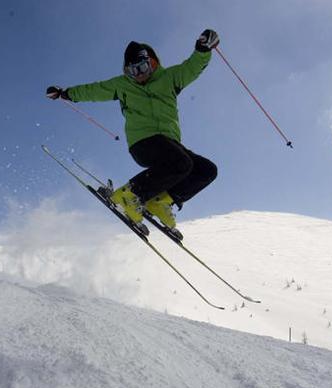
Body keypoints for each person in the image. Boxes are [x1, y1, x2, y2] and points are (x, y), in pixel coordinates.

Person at [46, 29, 220, 234]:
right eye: (132, 71)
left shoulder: (170, 78)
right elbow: (94, 90)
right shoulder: (122, 85)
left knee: (206, 170)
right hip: (143, 143)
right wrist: (66, 93)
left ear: (151, 63)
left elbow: (192, 67)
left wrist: (202, 50)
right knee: (181, 162)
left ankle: (161, 201)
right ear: (126, 71)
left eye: (142, 68)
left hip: (170, 145)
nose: (138, 75)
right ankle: (129, 195)